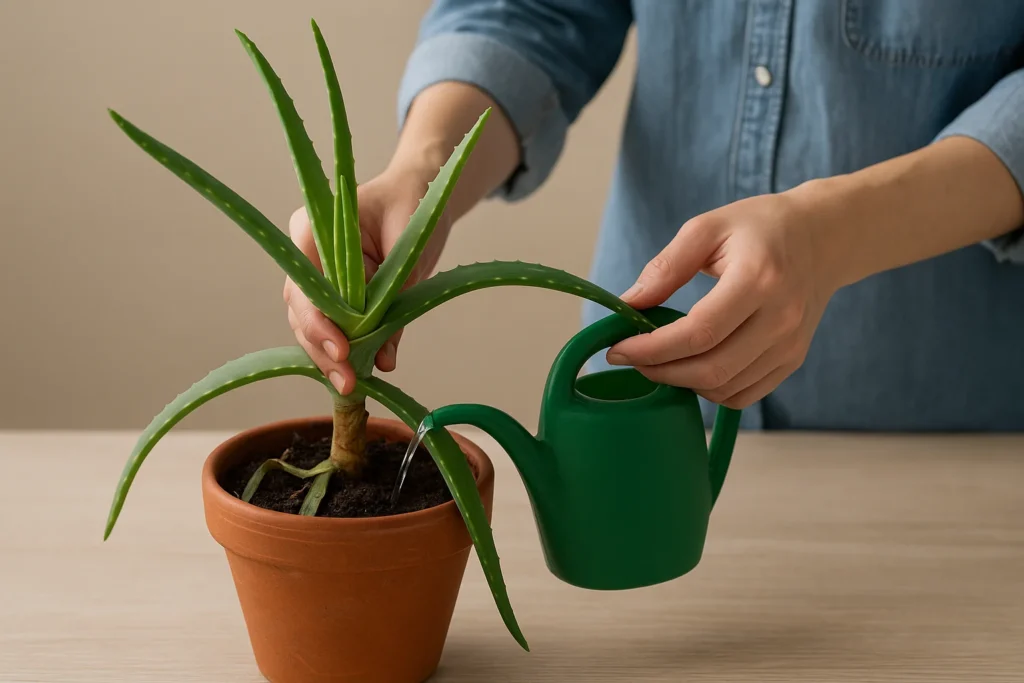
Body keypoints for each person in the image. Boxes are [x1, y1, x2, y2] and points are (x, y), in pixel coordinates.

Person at [284, 1, 1024, 431]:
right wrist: (424, 173)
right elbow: (533, 12)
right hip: (637, 415)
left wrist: (833, 231)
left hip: (947, 442)